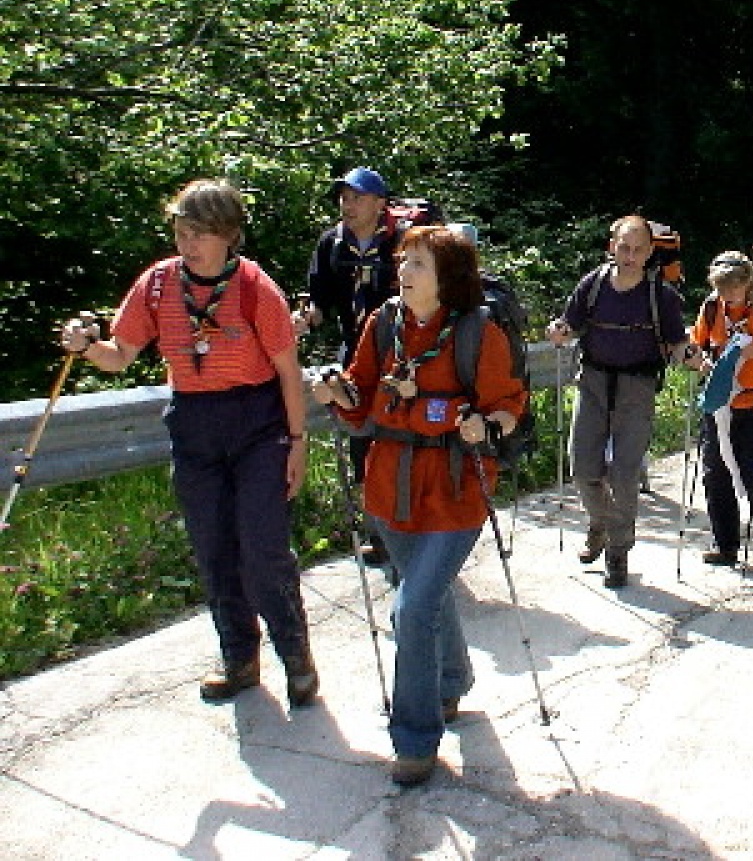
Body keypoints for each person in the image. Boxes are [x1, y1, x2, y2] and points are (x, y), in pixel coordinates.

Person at [59, 179, 317, 708]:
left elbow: (289, 373)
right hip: (195, 421)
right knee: (214, 548)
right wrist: (85, 347)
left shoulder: (254, 288)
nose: (188, 243)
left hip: (257, 423)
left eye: (200, 233)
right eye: (181, 231)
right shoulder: (157, 285)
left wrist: (297, 442)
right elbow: (120, 355)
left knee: (263, 549)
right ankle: (239, 659)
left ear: (228, 235)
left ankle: (296, 657)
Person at [313, 225, 526, 786]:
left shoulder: (479, 333)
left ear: (446, 279)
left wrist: (485, 423)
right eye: (404, 262)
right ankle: (451, 680)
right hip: (389, 491)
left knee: (412, 607)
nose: (403, 273)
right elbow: (360, 403)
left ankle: (414, 738)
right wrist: (337, 392)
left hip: (456, 493)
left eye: (418, 265)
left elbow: (508, 407)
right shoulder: (382, 325)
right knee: (426, 597)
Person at [547, 215, 693, 588]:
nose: (630, 255)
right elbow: (570, 322)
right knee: (583, 468)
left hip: (637, 387)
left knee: (625, 475)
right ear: (612, 247)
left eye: (638, 249)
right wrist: (559, 331)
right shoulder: (593, 285)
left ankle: (617, 550)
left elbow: (676, 342)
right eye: (624, 247)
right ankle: (600, 523)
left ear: (648, 252)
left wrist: (688, 355)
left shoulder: (660, 296)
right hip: (593, 381)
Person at [304, 166, 400, 565]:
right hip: (355, 357)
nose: (348, 204)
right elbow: (318, 299)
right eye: (344, 196)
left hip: (400, 356)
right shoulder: (332, 244)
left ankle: (407, 531)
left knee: (399, 442)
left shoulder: (403, 242)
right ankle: (380, 536)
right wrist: (305, 316)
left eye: (357, 197)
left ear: (380, 204)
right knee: (362, 443)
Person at [691, 251, 753, 564]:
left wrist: (752, 352)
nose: (728, 294)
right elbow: (696, 345)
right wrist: (700, 360)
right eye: (722, 287)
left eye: (734, 286)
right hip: (719, 400)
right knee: (715, 471)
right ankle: (725, 543)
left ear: (748, 281)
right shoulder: (710, 307)